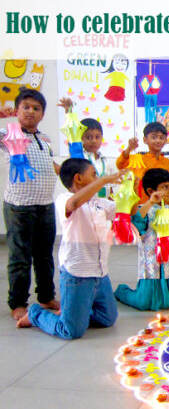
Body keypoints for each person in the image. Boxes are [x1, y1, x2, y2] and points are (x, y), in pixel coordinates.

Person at [17, 159, 125, 339]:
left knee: (108, 318)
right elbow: (74, 204)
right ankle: (36, 314)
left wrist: (135, 191)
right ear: (78, 179)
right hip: (77, 274)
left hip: (99, 273)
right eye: (93, 175)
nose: (97, 178)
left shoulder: (99, 203)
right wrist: (105, 180)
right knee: (71, 331)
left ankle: (72, 313)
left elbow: (124, 210)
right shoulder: (64, 199)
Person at [1, 88, 61, 321]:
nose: (30, 111)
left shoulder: (45, 139)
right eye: (25, 107)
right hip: (19, 207)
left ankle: (46, 296)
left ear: (43, 114)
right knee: (20, 256)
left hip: (45, 205)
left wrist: (70, 174)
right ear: (16, 110)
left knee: (45, 255)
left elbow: (51, 165)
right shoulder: (8, 134)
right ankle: (17, 303)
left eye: (36, 108)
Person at [114, 168, 169, 310]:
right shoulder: (145, 209)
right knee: (144, 303)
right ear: (150, 191)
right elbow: (137, 222)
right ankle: (122, 291)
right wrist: (150, 203)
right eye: (165, 187)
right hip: (152, 268)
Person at [58, 97, 117, 198]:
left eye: (97, 137)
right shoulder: (79, 158)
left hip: (103, 205)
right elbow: (72, 132)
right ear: (81, 138)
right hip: (85, 202)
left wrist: (112, 202)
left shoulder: (106, 162)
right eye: (88, 137)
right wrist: (69, 112)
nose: (93, 140)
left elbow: (110, 187)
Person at [117, 122, 169, 205]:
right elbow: (120, 164)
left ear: (166, 140)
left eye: (162, 138)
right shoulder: (139, 159)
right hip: (143, 206)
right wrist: (129, 148)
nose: (158, 140)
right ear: (145, 140)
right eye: (154, 137)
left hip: (165, 207)